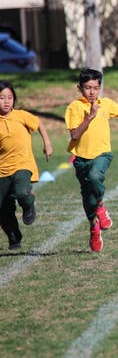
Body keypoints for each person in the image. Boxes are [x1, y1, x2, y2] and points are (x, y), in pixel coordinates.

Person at [65, 69, 118, 252]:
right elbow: (74, 134)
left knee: (95, 176)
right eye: (88, 88)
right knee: (87, 196)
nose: (92, 92)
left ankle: (101, 206)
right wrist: (90, 116)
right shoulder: (74, 107)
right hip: (81, 158)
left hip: (102, 154)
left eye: (96, 88)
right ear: (79, 88)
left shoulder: (106, 104)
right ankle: (94, 228)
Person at [0, 80, 52, 250]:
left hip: (23, 164)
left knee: (21, 191)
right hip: (2, 171)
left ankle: (28, 204)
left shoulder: (21, 116)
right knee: (3, 210)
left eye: (9, 97)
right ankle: (14, 236)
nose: (6, 101)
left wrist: (47, 143)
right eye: (1, 98)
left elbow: (38, 124)